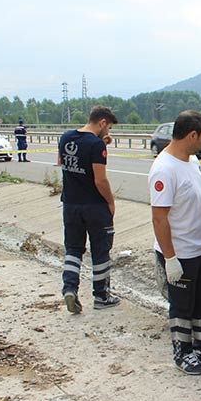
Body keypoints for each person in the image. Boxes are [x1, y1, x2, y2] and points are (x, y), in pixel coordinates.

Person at [149, 110, 201, 375]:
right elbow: (160, 218)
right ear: (192, 135)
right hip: (180, 252)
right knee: (182, 306)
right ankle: (182, 352)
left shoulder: (192, 160)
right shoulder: (164, 169)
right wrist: (170, 259)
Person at [59, 106, 120, 313]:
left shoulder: (65, 138)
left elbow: (79, 159)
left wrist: (100, 144)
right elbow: (100, 180)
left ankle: (69, 289)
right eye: (108, 127)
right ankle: (101, 296)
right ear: (102, 122)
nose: (108, 132)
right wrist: (110, 202)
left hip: (70, 205)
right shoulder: (95, 145)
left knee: (73, 250)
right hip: (94, 207)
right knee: (100, 251)